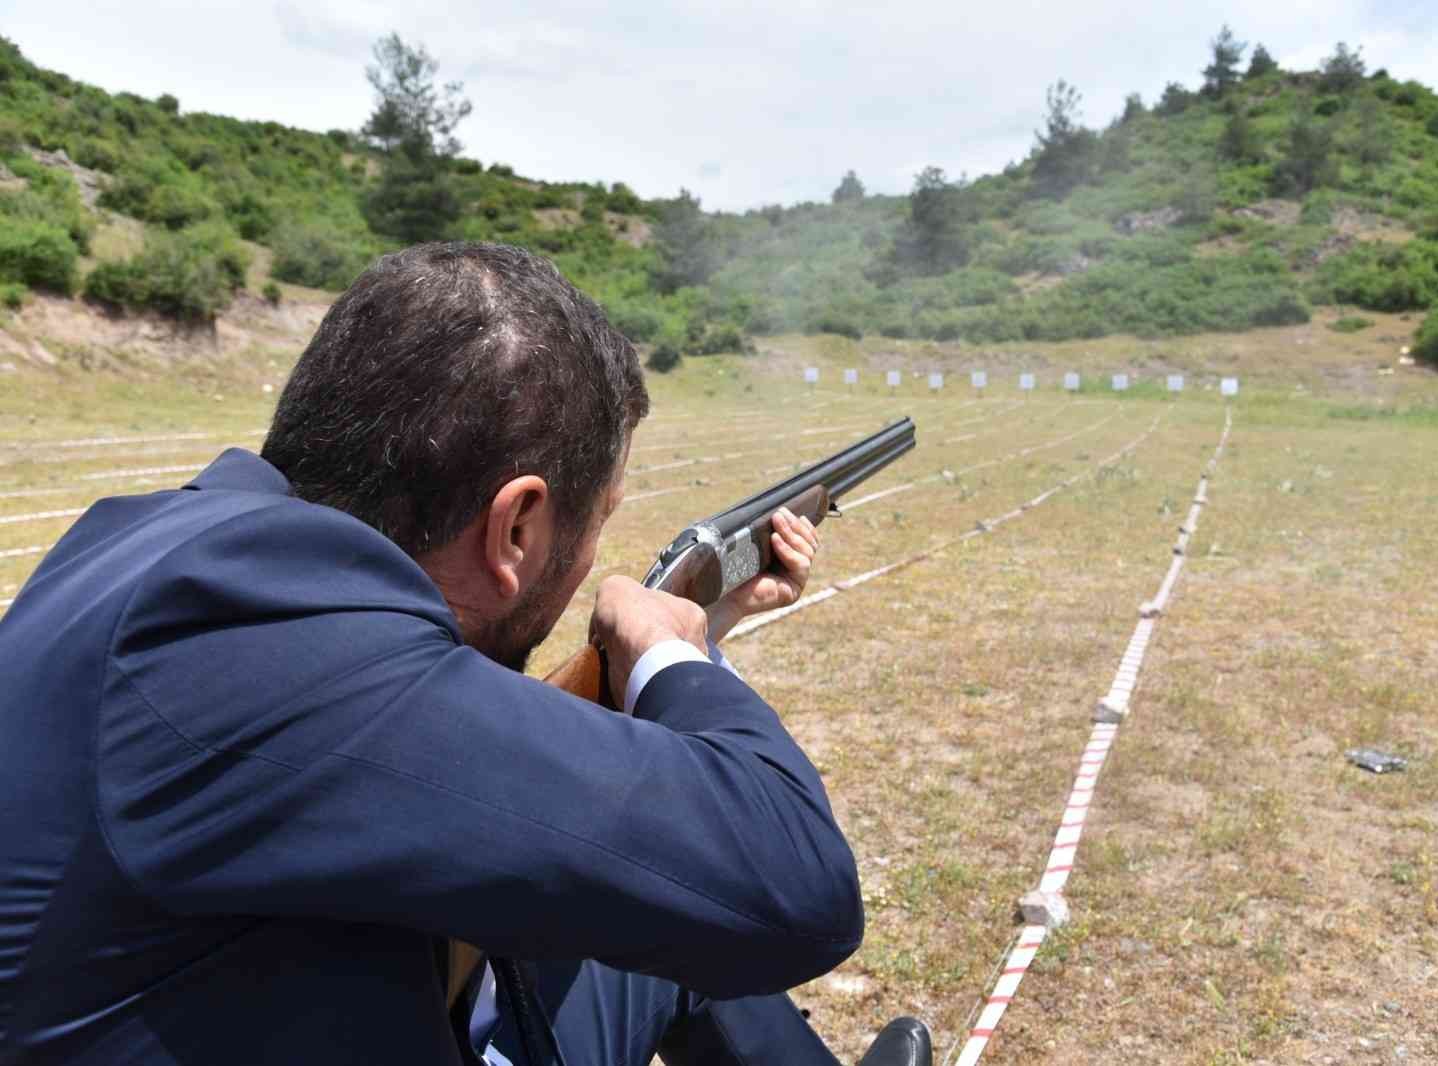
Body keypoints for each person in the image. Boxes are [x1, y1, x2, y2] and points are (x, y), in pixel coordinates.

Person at [0, 243, 931, 1066]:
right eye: (595, 521)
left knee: (665, 915)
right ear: (516, 528)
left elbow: (480, 762)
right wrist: (667, 655)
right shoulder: (251, 630)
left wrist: (701, 623)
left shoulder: (181, 556)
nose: (595, 557)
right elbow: (792, 882)